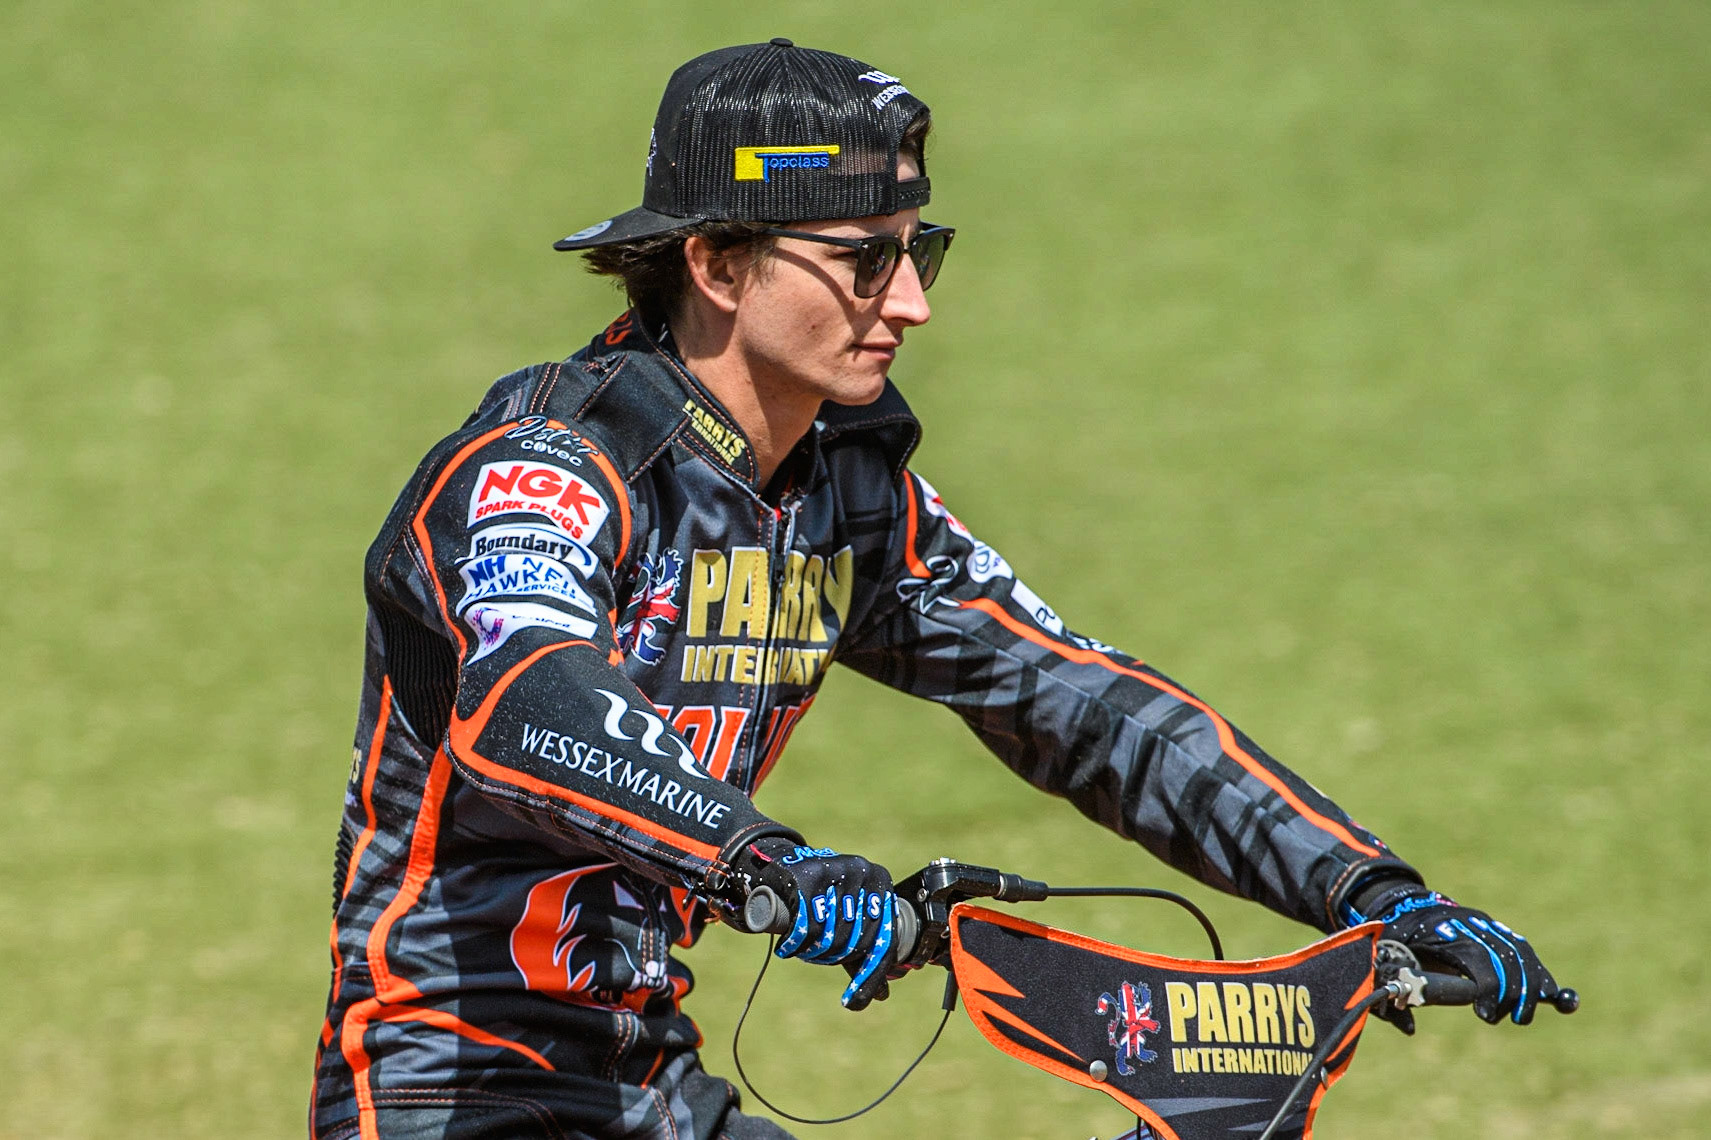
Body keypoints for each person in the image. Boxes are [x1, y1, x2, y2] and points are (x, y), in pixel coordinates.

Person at [311, 39, 1561, 1140]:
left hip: (649, 1082)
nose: (907, 302)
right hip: (452, 1087)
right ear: (717, 262)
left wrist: (1375, 891)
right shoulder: (544, 469)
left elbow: (1079, 703)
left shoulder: (848, 501)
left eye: (921, 253)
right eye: (862, 261)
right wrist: (762, 860)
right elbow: (526, 704)